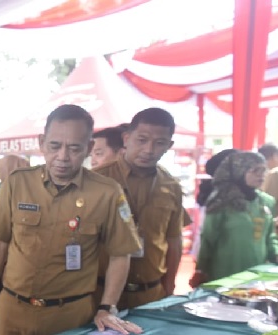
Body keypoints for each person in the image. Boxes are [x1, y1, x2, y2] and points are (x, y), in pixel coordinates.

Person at [0, 104, 143, 335]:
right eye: (55, 146)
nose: (63, 157)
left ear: (88, 148)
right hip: (13, 309)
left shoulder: (106, 193)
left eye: (74, 148)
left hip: (70, 316)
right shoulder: (18, 183)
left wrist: (107, 307)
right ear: (42, 143)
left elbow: (121, 254)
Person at [93, 108, 185, 309]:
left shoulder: (172, 186)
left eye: (159, 143)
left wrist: (169, 286)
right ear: (126, 138)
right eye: (141, 140)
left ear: (169, 146)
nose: (149, 150)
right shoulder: (97, 180)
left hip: (150, 295)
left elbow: (174, 240)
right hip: (98, 295)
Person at [191, 151, 278, 285]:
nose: (261, 176)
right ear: (240, 171)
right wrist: (201, 269)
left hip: (256, 271)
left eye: (263, 170)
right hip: (225, 271)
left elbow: (269, 236)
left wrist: (275, 254)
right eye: (255, 171)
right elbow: (208, 238)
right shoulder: (221, 201)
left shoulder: (266, 202)